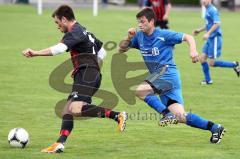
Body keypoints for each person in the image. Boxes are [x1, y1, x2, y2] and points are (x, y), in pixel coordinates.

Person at [22, 5, 127, 153]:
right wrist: (92, 67)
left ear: (64, 19)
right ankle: (59, 143)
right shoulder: (84, 30)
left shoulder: (74, 32)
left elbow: (58, 49)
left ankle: (117, 115)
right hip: (88, 73)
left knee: (75, 109)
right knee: (68, 109)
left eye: (58, 23)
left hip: (86, 74)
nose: (58, 27)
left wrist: (35, 53)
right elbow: (102, 51)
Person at [119, 8, 225, 143]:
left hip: (166, 73)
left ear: (151, 21)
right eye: (138, 22)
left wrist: (193, 51)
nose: (140, 25)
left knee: (140, 90)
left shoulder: (163, 34)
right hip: (161, 78)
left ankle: (166, 114)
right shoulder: (139, 37)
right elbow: (121, 49)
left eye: (143, 22)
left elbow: (189, 37)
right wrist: (128, 37)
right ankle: (215, 127)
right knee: (181, 116)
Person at [193, 0, 240, 85]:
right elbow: (209, 24)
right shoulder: (207, 9)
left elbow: (217, 23)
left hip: (215, 38)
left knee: (212, 63)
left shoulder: (212, 10)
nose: (203, 1)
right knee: (202, 58)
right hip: (210, 38)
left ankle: (235, 64)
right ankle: (208, 80)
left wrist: (208, 33)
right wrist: (200, 30)